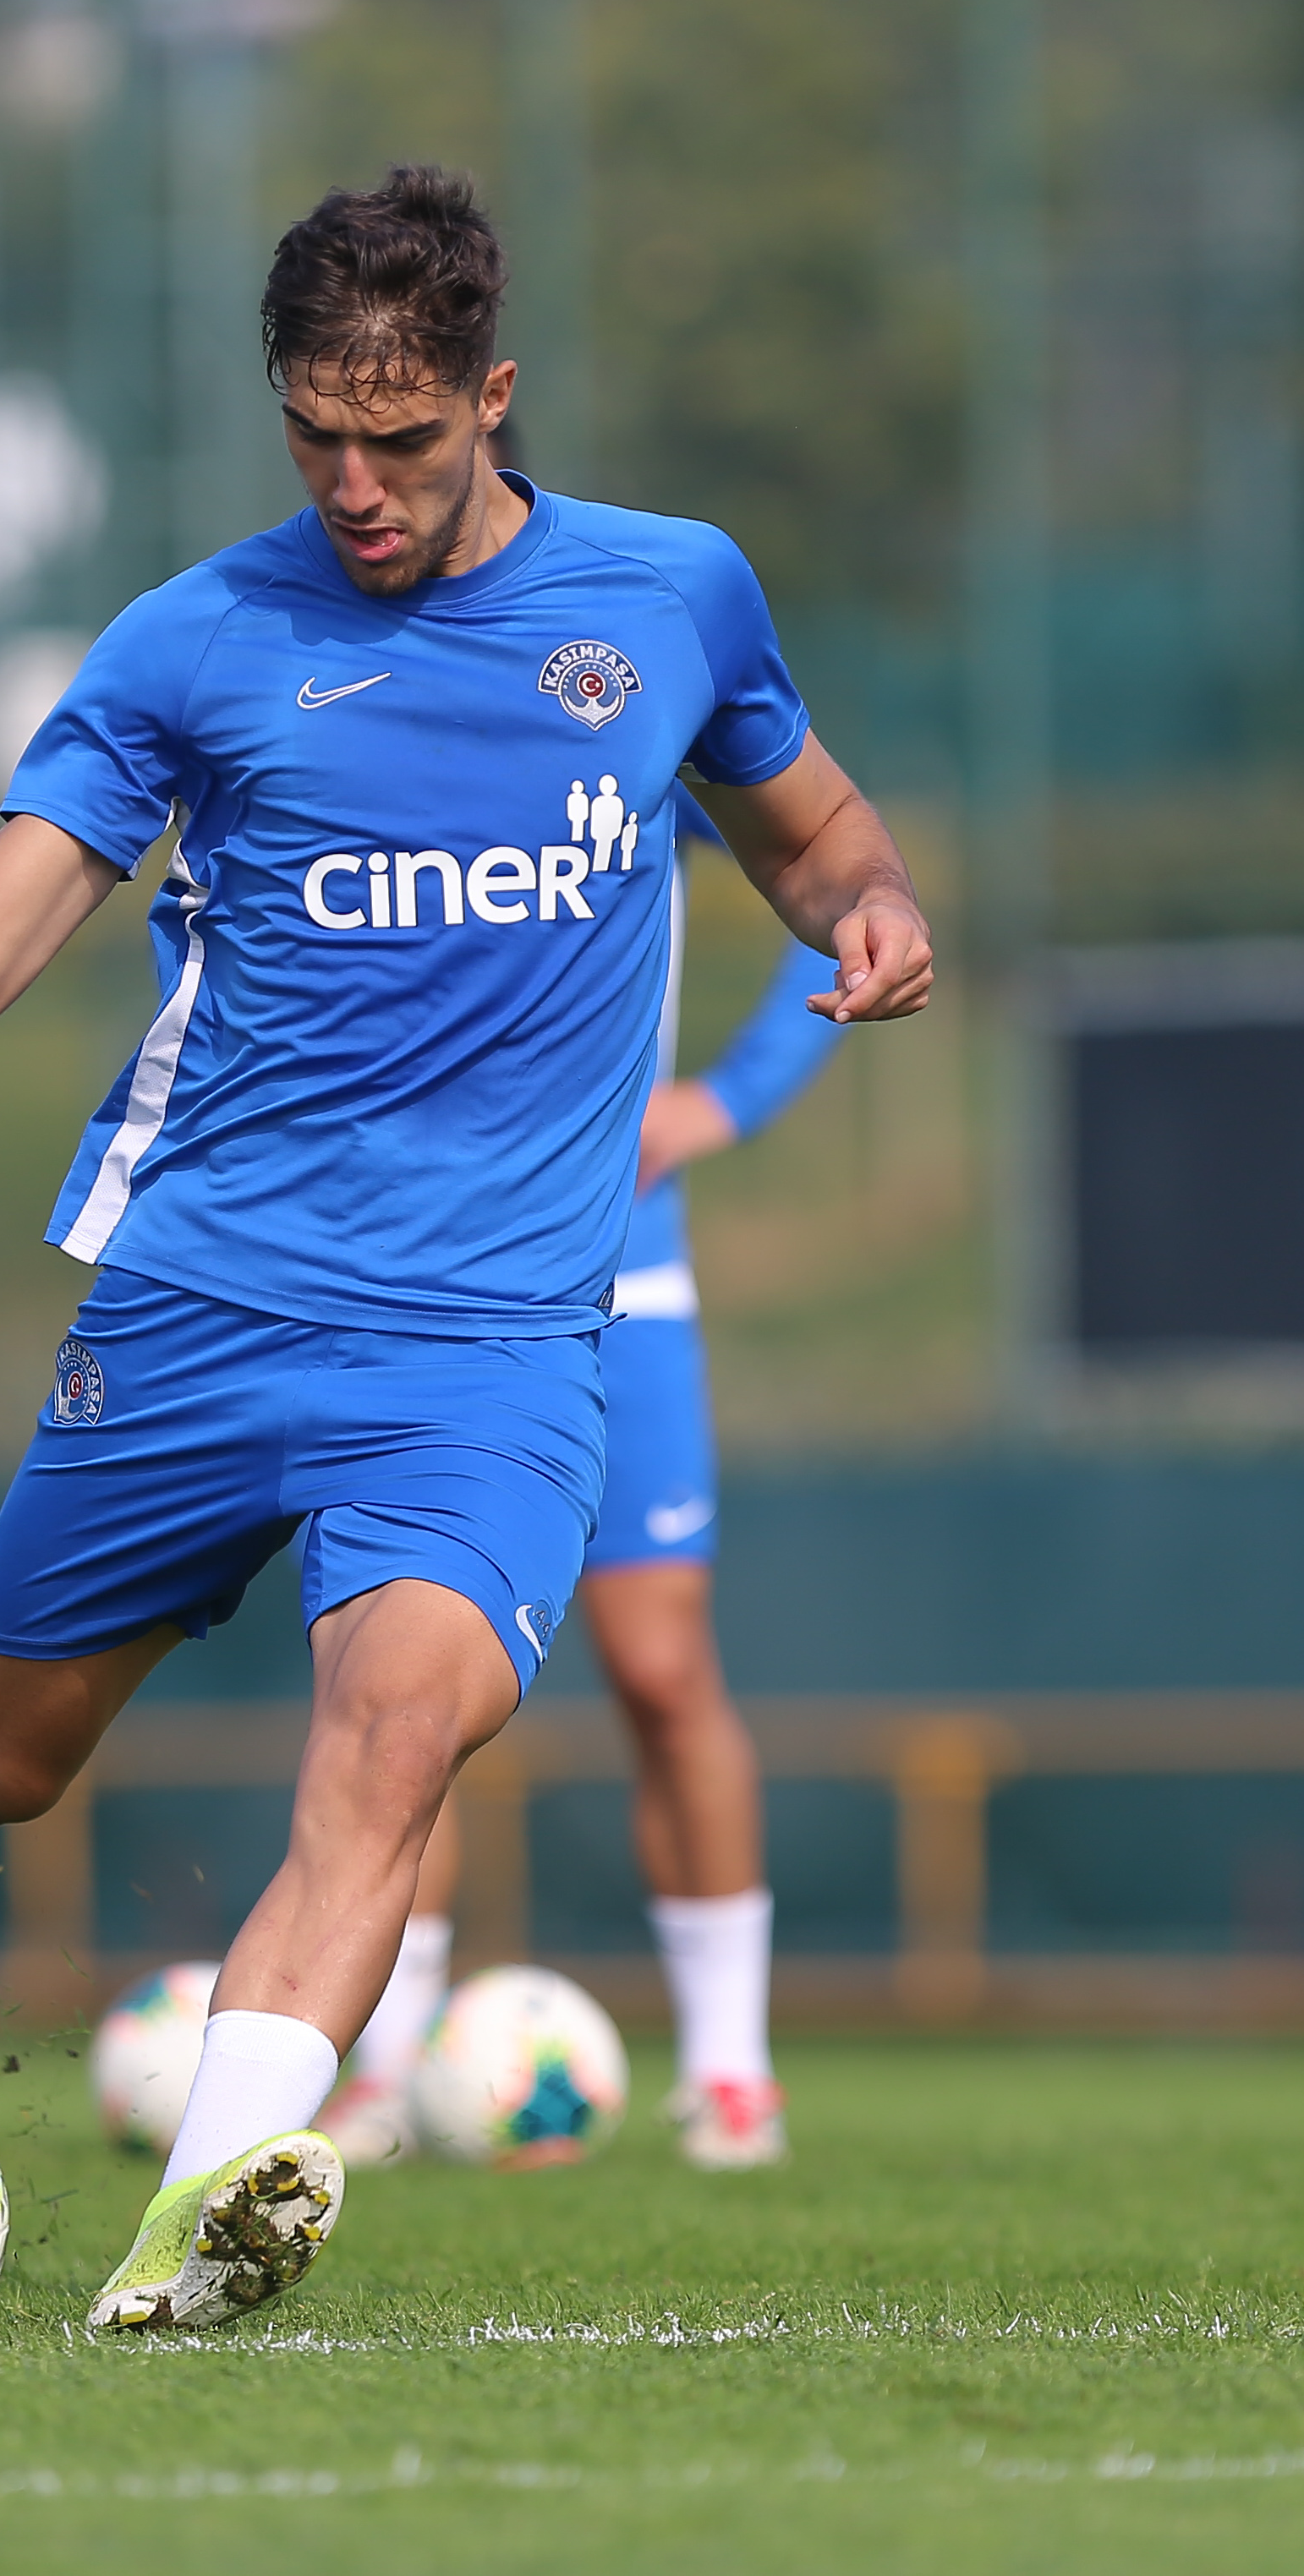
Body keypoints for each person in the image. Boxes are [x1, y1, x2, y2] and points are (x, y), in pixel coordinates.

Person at [0, 167, 931, 2327]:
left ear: (491, 396)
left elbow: (814, 827)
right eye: (315, 433)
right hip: (202, 1304)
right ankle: (10, 1644)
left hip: (490, 1342)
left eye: (397, 437)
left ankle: (197, 2225)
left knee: (393, 1733)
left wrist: (867, 909)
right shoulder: (196, 640)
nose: (353, 484)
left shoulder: (671, 597)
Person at [324, 917, 842, 2173]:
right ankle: (382, 2067)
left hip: (621, 1269)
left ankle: (729, 2070)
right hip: (417, 1280)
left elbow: (845, 888)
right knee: (399, 1684)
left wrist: (731, 1096)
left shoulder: (645, 769)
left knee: (662, 1674)